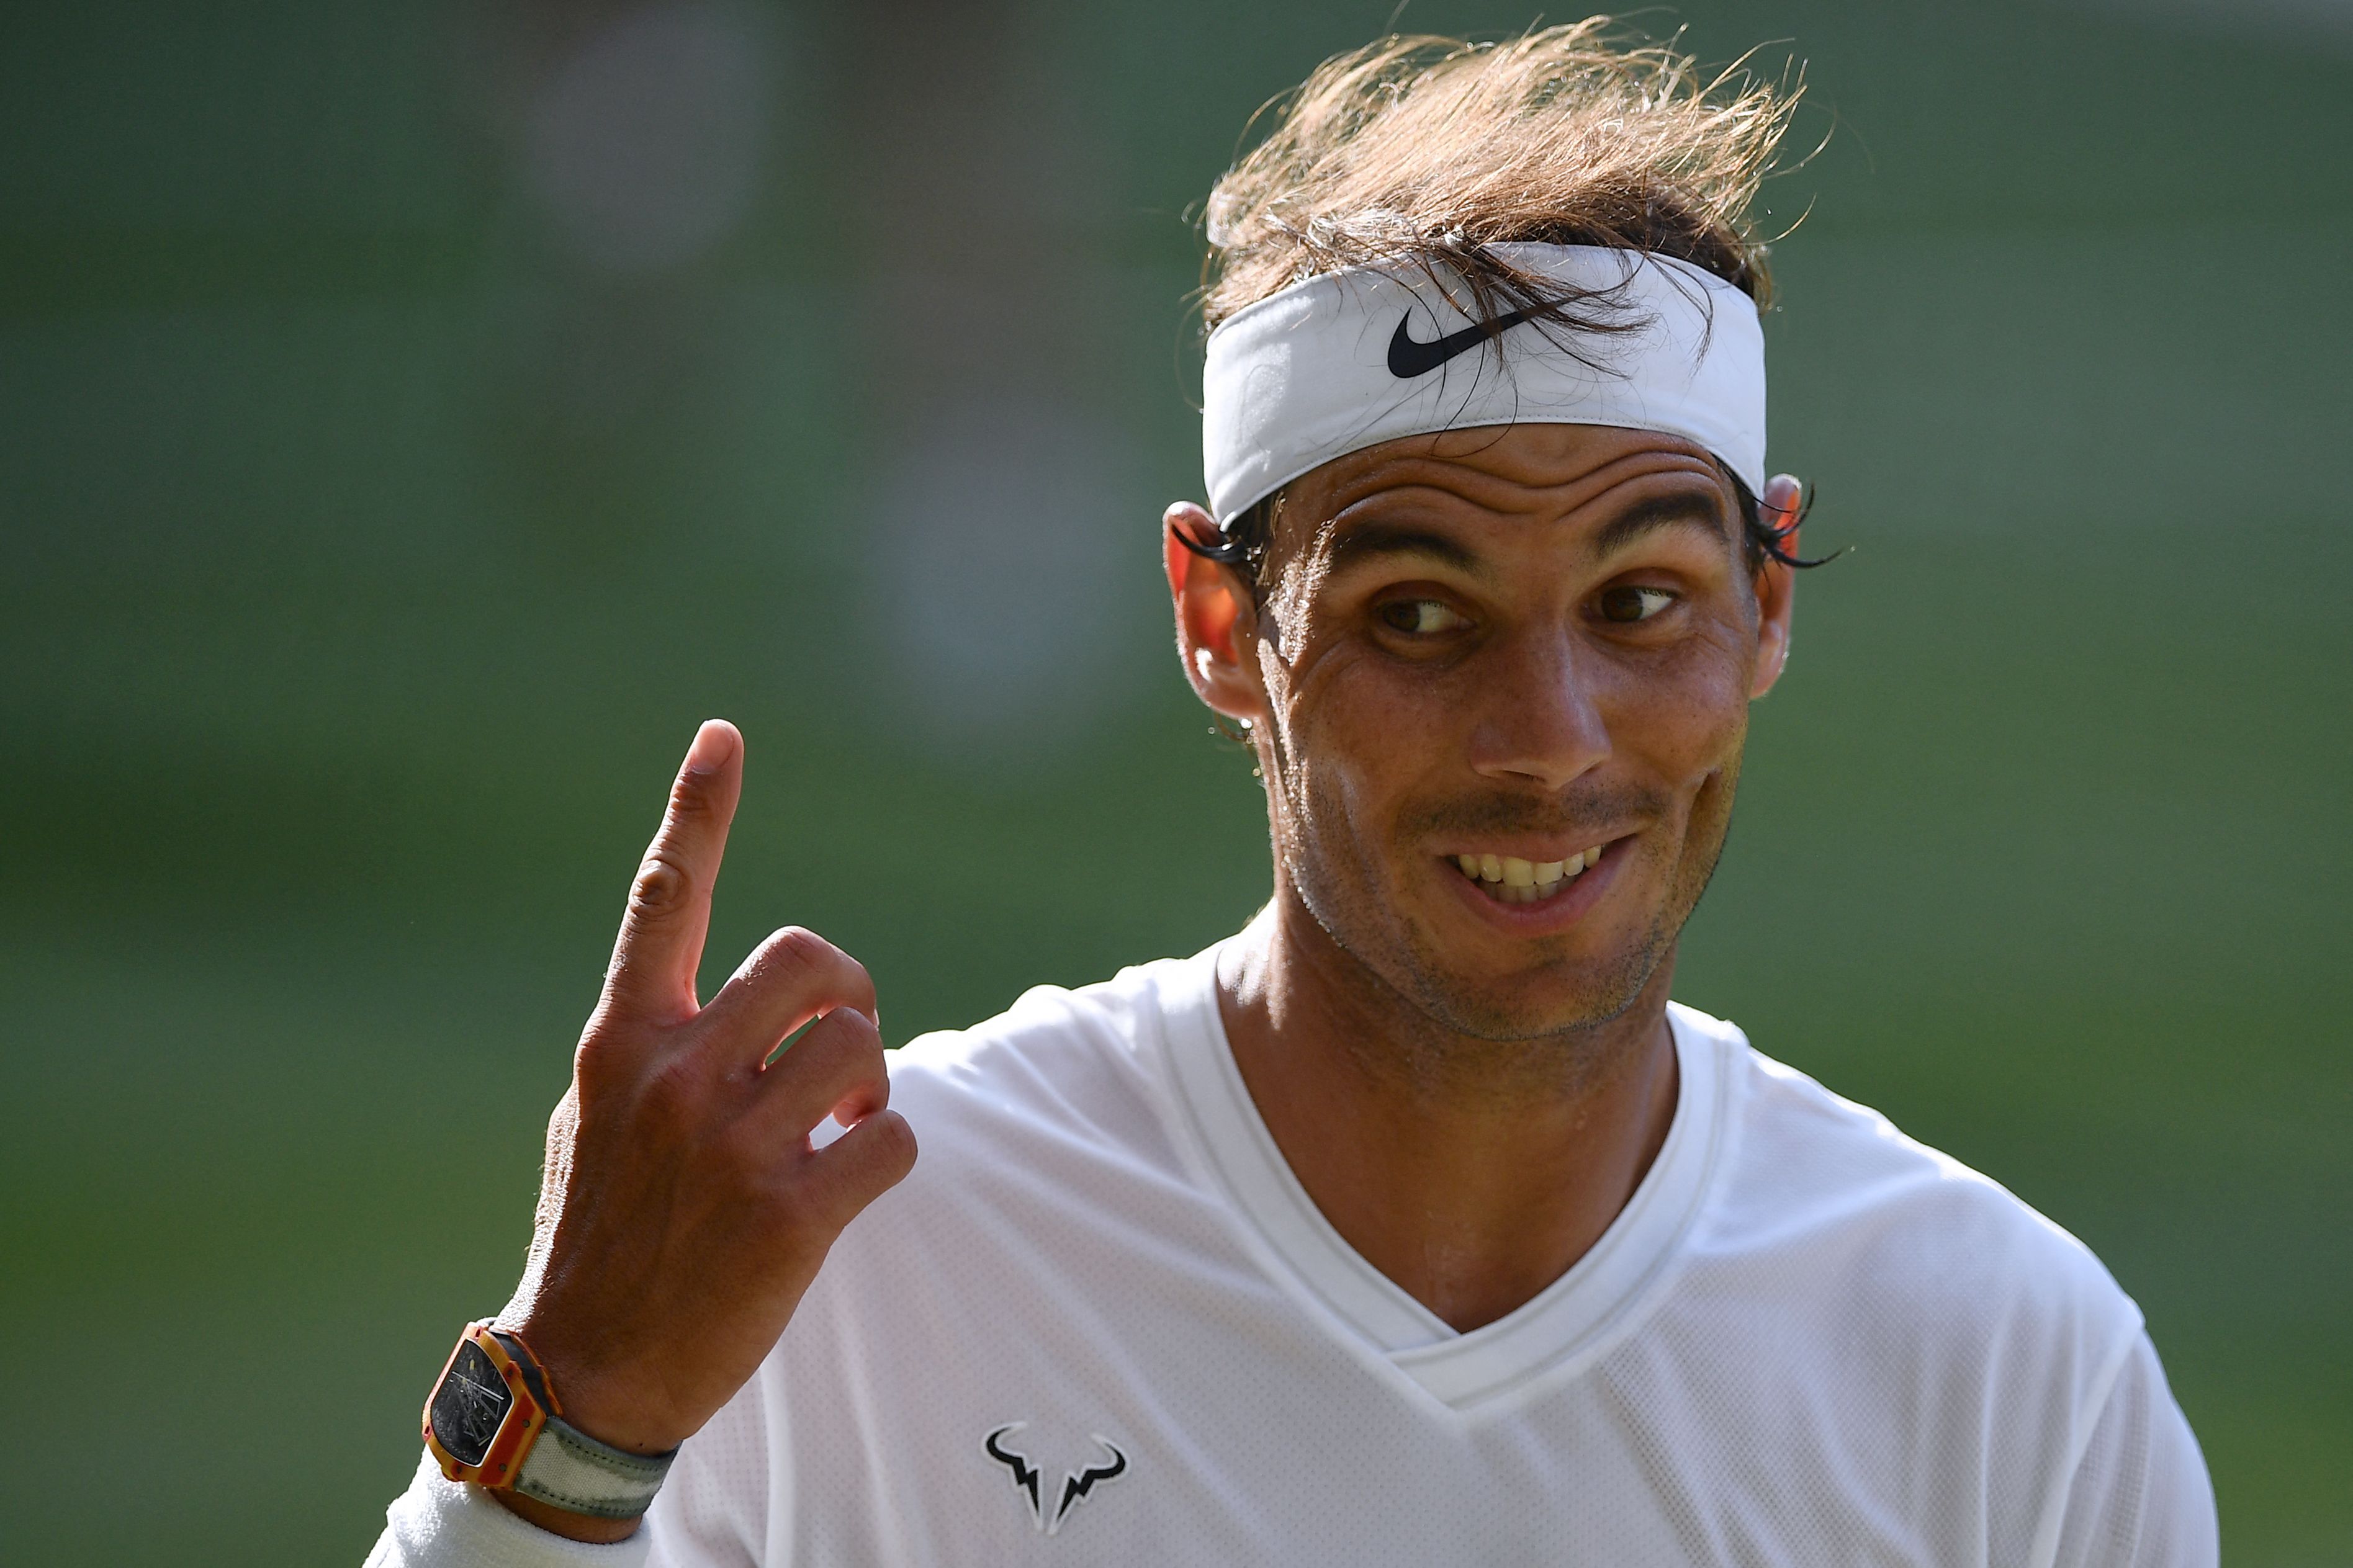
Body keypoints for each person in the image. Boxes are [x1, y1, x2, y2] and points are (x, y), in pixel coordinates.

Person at [369, 23, 2215, 1567]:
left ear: (1767, 606)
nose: (1550, 735)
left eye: (1642, 603)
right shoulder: (844, 1267)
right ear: (1219, 621)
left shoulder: (2012, 1379)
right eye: (1421, 615)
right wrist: (568, 1406)